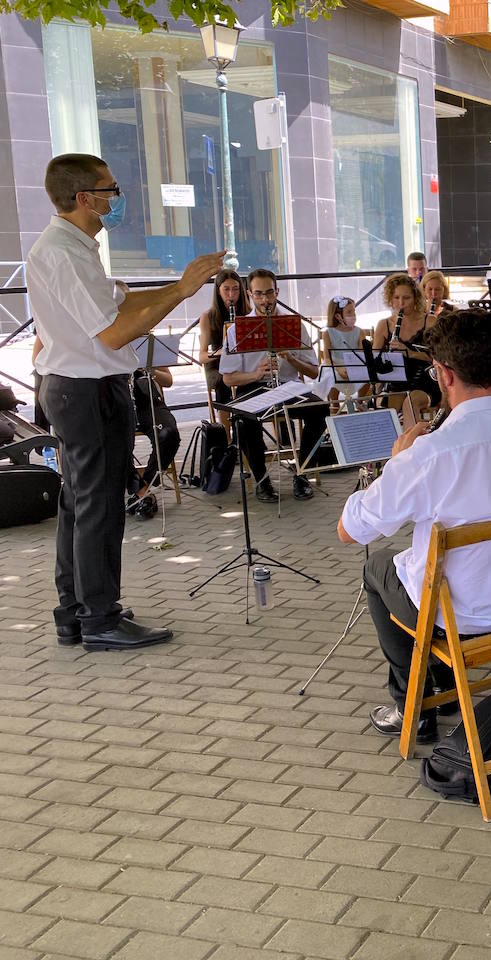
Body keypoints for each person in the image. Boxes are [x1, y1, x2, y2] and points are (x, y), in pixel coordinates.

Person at [337, 309, 491, 743]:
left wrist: (398, 460)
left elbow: (349, 530)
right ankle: (439, 683)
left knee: (378, 568)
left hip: (458, 615)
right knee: (418, 566)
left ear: (442, 374)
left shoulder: (429, 454)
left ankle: (414, 708)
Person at [29, 153, 221, 650]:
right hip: (86, 390)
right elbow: (114, 333)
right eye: (111, 190)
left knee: (79, 501)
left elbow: (120, 302)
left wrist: (180, 284)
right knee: (97, 505)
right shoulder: (64, 252)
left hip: (77, 386)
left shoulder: (74, 245)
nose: (118, 199)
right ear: (84, 199)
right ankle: (99, 617)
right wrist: (181, 292)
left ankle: (76, 609)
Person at [219, 268, 327, 503]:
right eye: (258, 294)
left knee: (320, 409)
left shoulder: (295, 326)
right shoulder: (237, 330)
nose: (265, 300)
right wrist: (256, 374)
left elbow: (314, 370)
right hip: (254, 386)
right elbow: (228, 378)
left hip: (289, 386)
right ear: (249, 294)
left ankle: (302, 474)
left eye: (269, 293)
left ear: (277, 291)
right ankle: (262, 481)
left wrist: (290, 358)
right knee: (243, 418)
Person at [371, 273, 438, 427]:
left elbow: (439, 357)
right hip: (396, 382)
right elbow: (373, 361)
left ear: (415, 298)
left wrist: (409, 352)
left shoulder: (430, 321)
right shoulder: (384, 325)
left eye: (406, 298)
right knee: (386, 410)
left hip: (425, 381)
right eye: (396, 298)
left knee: (411, 402)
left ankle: (412, 448)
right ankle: (391, 447)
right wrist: (385, 356)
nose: (401, 303)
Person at [126, 364, 179, 519]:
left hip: (149, 403)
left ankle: (145, 487)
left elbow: (168, 381)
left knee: (169, 434)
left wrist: (150, 369)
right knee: (112, 442)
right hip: (118, 402)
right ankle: (142, 493)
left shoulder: (147, 343)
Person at [198, 269, 247, 430]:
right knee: (223, 381)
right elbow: (202, 356)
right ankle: (226, 436)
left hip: (244, 362)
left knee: (255, 379)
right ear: (218, 291)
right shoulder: (208, 316)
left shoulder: (247, 313)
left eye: (235, 289)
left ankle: (247, 428)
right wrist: (222, 352)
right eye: (226, 289)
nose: (231, 294)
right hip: (217, 365)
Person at [319, 296, 368, 411]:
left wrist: (354, 368)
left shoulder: (359, 332)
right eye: (349, 312)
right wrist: (339, 368)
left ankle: (360, 401)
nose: (354, 315)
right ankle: (335, 404)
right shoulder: (328, 333)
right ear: (337, 316)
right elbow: (327, 358)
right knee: (331, 376)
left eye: (354, 311)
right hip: (335, 364)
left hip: (355, 363)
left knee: (368, 375)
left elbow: (362, 355)